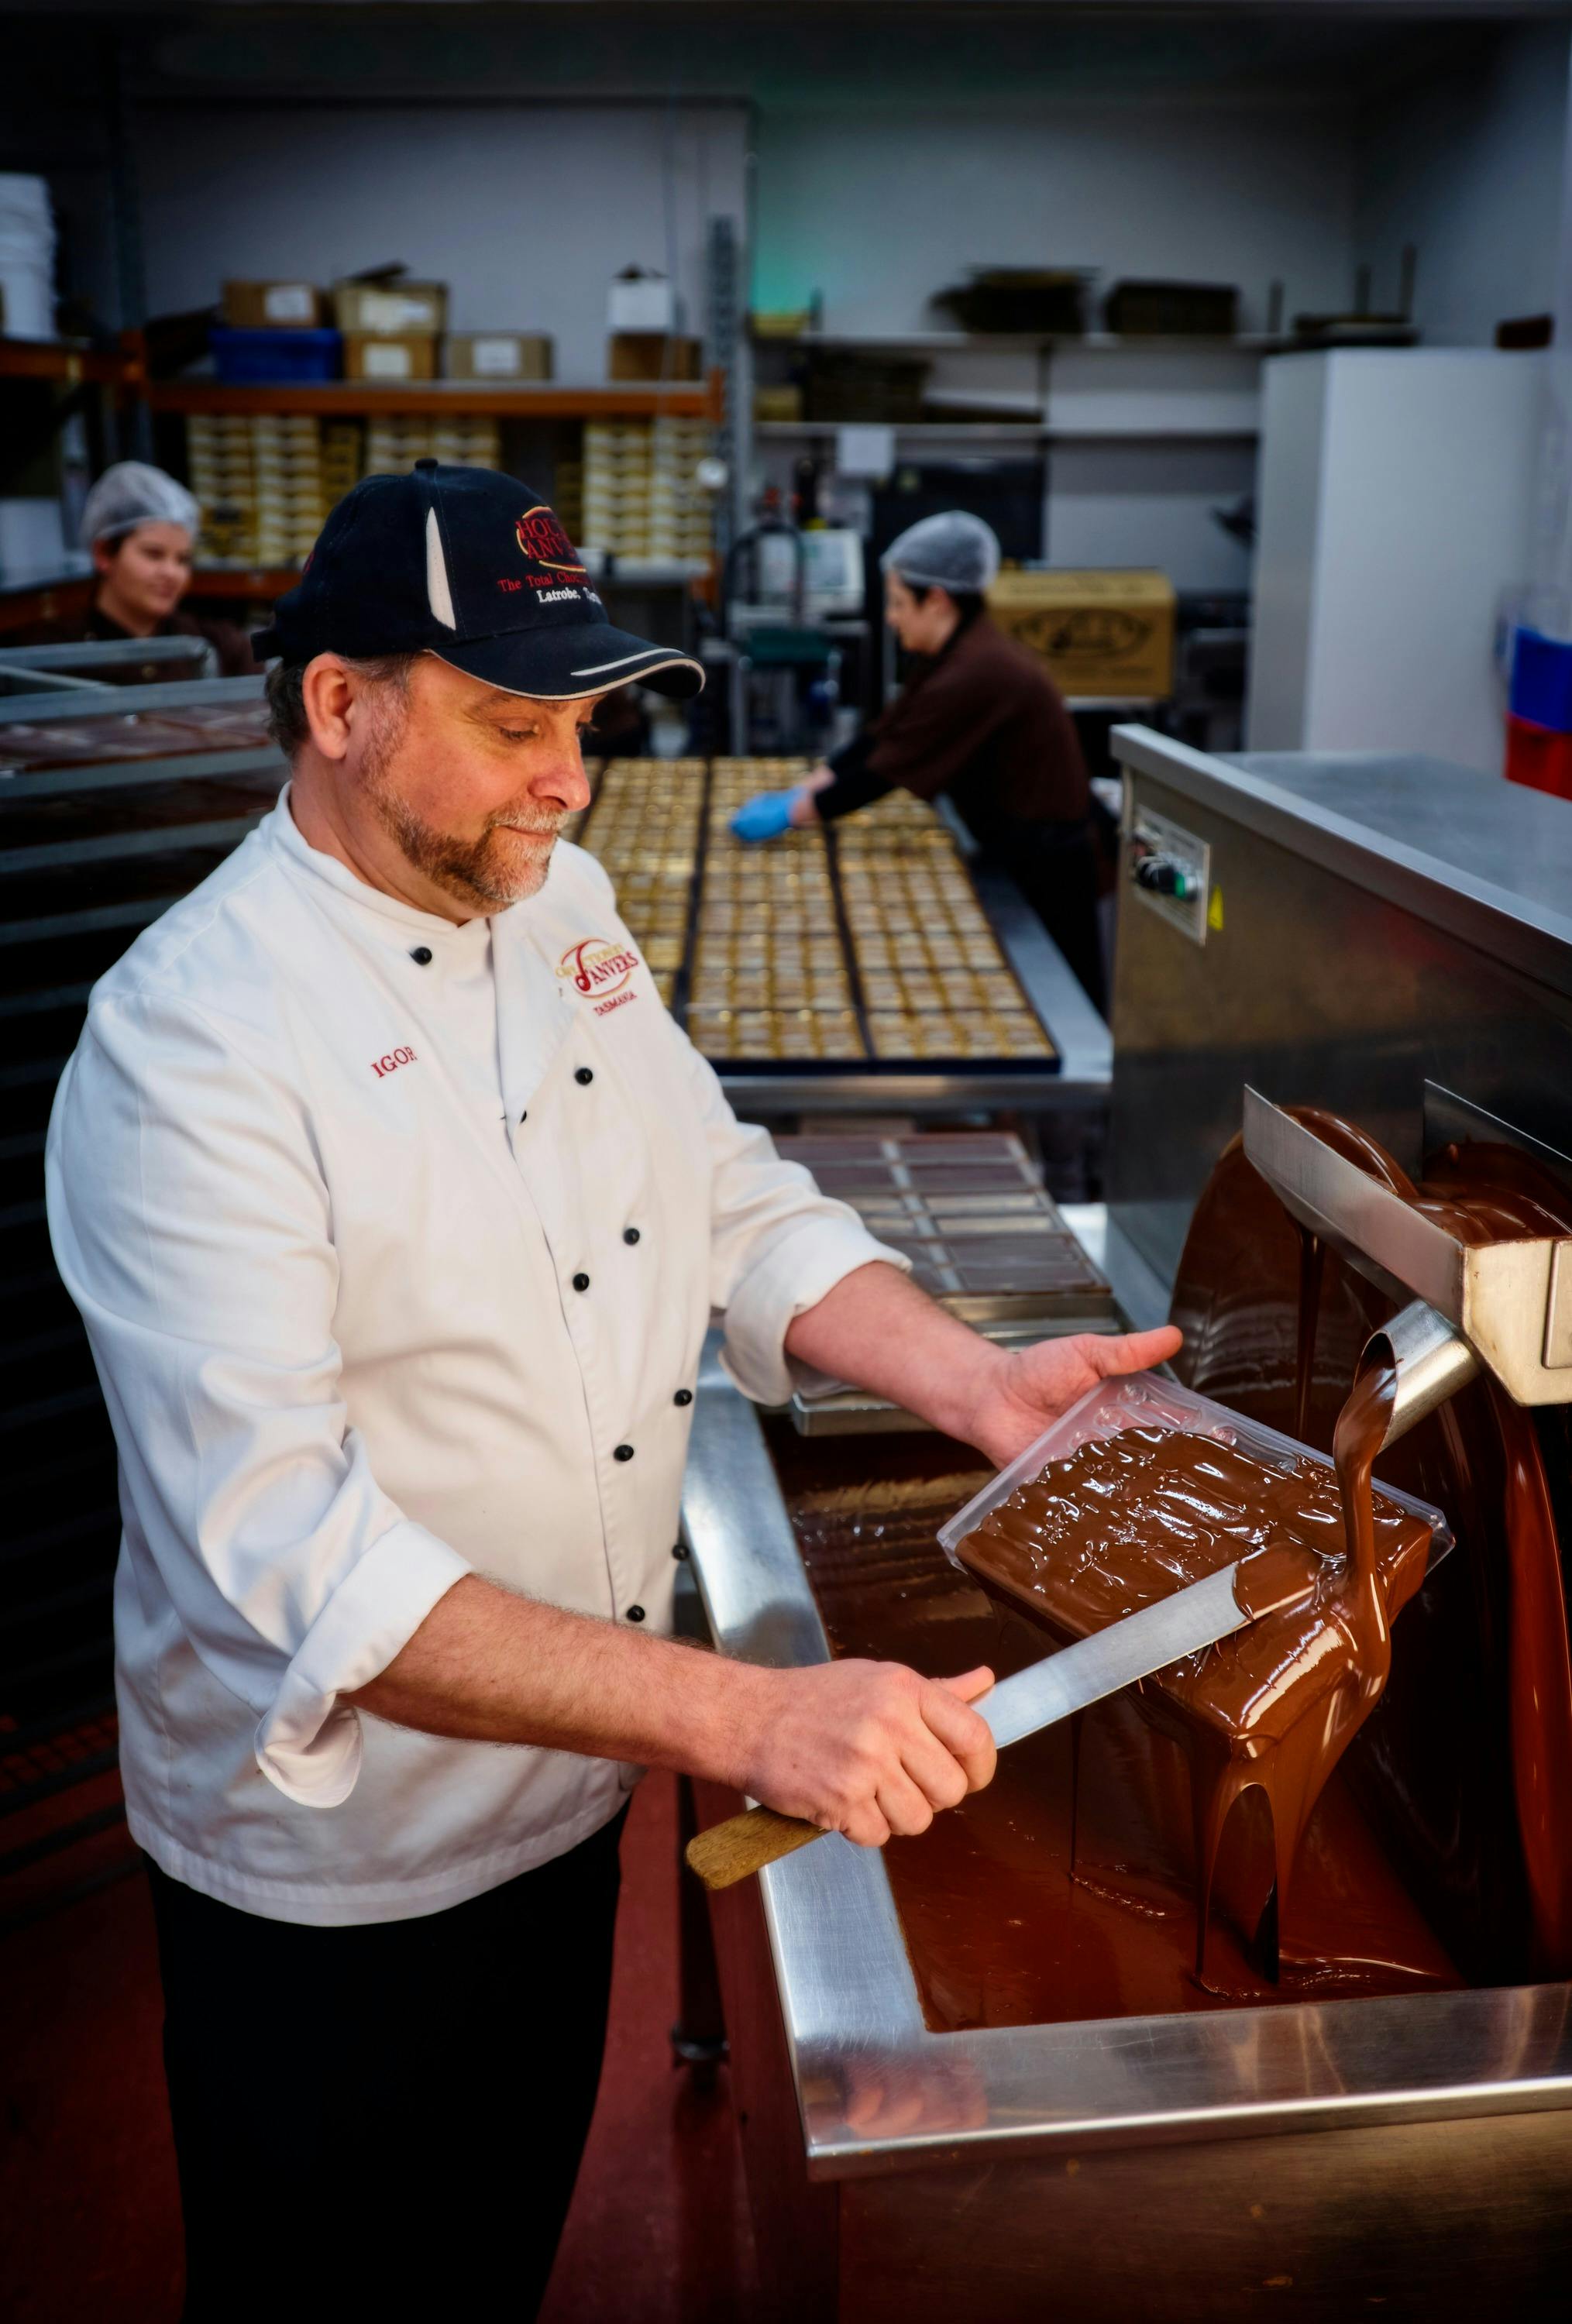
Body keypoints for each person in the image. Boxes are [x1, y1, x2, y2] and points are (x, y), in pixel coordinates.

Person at [46, 461, 1177, 2318]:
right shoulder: (189, 1049)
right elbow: (297, 1563)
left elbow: (716, 1191)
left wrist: (976, 1382)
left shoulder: (556, 900)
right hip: (342, 1862)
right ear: (337, 705)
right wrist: (744, 1718)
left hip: (566, 1787)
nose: (566, 778)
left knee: (493, 2247)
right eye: (512, 725)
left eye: (575, 720)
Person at [731, 511, 1106, 1012]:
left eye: (898, 603)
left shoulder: (977, 670)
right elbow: (883, 733)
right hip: (1017, 845)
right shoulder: (954, 652)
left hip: (1047, 864)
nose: (890, 617)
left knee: (1066, 1003)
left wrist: (795, 814)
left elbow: (882, 773)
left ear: (937, 600)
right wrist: (810, 785)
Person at [25, 460, 256, 678]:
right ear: (103, 553)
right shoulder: (54, 655)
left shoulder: (221, 646)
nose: (171, 573)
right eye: (153, 554)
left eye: (182, 560)